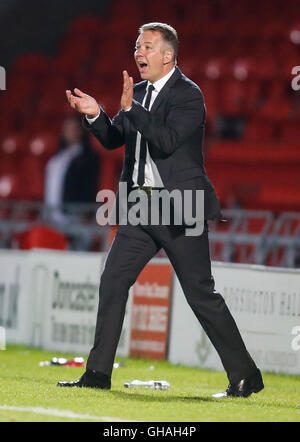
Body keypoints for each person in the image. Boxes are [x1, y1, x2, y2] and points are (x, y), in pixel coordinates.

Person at [57, 22, 264, 398]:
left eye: (147, 47)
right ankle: (98, 374)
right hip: (140, 207)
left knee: (200, 293)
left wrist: (131, 109)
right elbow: (113, 138)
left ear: (168, 55)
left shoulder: (188, 95)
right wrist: (95, 115)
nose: (139, 53)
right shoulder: (135, 93)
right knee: (113, 280)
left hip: (179, 207)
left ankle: (246, 375)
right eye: (137, 46)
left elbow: (167, 140)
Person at [44, 115, 100, 225]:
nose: (71, 132)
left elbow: (89, 185)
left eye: (74, 128)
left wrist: (85, 212)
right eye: (67, 129)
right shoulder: (57, 158)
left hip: (74, 215)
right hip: (53, 213)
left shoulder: (88, 157)